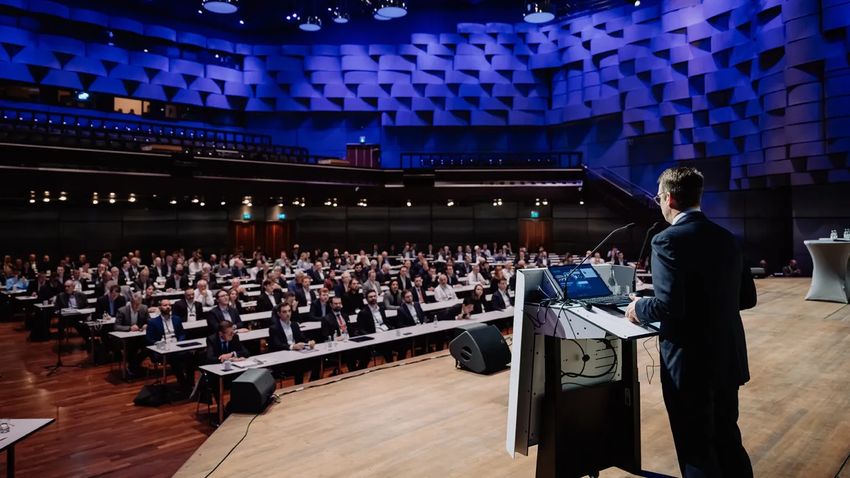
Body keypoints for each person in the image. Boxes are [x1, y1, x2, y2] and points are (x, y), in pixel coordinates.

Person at [624, 166, 757, 478]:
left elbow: (669, 306)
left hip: (690, 365)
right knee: (728, 441)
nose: (659, 203)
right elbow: (747, 298)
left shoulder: (667, 240)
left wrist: (639, 307)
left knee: (696, 449)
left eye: (659, 197)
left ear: (669, 198)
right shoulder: (727, 237)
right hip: (727, 358)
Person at [146, 300, 194, 391]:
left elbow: (182, 333)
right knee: (174, 358)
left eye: (169, 305)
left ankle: (191, 383)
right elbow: (149, 338)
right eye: (165, 305)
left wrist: (179, 342)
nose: (168, 307)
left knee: (190, 356)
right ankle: (183, 383)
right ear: (160, 308)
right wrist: (159, 343)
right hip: (163, 349)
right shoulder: (153, 322)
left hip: (177, 346)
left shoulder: (177, 319)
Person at [268, 302, 319, 384]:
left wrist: (309, 341)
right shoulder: (274, 328)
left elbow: (302, 337)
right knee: (299, 365)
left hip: (297, 353)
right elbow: (277, 345)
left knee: (316, 359)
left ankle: (313, 383)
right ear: (279, 314)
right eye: (284, 312)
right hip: (284, 355)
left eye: (289, 311)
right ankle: (299, 386)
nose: (288, 314)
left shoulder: (294, 324)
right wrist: (292, 346)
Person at [115, 293, 150, 377]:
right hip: (127, 338)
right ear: (131, 303)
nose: (138, 307)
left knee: (150, 346)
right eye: (136, 304)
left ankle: (134, 364)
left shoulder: (144, 308)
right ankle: (133, 367)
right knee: (132, 347)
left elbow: (149, 321)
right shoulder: (122, 310)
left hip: (140, 336)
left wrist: (147, 325)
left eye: (139, 304)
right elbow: (116, 326)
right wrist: (130, 328)